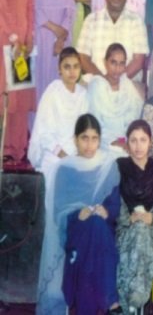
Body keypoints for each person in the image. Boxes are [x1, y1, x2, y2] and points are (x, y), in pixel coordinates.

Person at [36, 113, 122, 314]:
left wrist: (106, 211)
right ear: (75, 139)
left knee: (96, 228)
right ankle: (111, 301)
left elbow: (115, 205)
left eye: (94, 139)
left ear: (99, 140)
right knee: (93, 230)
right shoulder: (65, 168)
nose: (89, 145)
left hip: (103, 232)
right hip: (75, 232)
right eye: (84, 138)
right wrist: (76, 215)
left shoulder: (108, 166)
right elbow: (58, 212)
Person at [115, 120, 153, 311]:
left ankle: (132, 303)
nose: (138, 146)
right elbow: (114, 204)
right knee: (138, 231)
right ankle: (138, 302)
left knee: (141, 231)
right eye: (133, 140)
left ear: (150, 142)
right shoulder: (119, 168)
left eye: (143, 140)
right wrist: (128, 219)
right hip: (125, 230)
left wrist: (152, 218)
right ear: (127, 143)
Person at [0, 0, 36, 164]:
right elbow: (2, 7)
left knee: (20, 96)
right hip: (5, 40)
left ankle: (18, 148)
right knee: (6, 95)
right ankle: (4, 147)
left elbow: (30, 5)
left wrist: (29, 37)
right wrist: (13, 38)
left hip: (22, 45)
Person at [29, 48, 87, 194]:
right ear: (59, 69)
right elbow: (45, 135)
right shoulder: (53, 92)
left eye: (76, 66)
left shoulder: (83, 94)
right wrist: (65, 157)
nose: (72, 71)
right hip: (54, 153)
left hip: (76, 153)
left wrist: (78, 156)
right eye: (67, 67)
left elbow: (84, 130)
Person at [77, 0, 149, 81]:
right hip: (96, 83)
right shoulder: (91, 20)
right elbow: (83, 57)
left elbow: (138, 60)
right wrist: (103, 82)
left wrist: (117, 82)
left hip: (127, 84)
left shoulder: (136, 21)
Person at [87, 43, 144, 150]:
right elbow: (94, 123)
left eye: (122, 63)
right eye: (113, 63)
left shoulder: (127, 85)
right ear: (105, 62)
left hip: (127, 141)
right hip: (103, 142)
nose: (117, 68)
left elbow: (135, 117)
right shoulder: (97, 86)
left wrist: (126, 141)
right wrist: (114, 142)